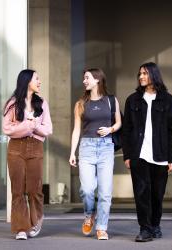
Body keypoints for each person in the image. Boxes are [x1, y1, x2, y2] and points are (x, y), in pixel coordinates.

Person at [122, 62, 172, 242]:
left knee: (157, 194)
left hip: (161, 155)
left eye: (145, 74)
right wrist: (127, 155)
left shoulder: (168, 100)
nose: (141, 77)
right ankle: (145, 228)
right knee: (141, 193)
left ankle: (155, 225)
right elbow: (127, 130)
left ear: (154, 75)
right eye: (140, 74)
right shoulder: (132, 100)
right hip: (139, 154)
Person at [69, 68, 121, 240]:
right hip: (87, 147)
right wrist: (72, 153)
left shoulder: (111, 100)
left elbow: (119, 122)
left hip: (106, 147)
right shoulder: (80, 104)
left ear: (97, 79)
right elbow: (76, 130)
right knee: (87, 189)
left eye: (87, 78)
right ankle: (89, 215)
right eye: (84, 78)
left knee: (105, 192)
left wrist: (110, 129)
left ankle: (101, 227)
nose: (84, 81)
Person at [2, 69, 53, 240]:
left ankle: (37, 219)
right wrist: (27, 126)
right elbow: (7, 128)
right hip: (16, 148)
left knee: (34, 188)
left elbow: (48, 129)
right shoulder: (13, 103)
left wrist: (35, 127)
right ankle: (21, 228)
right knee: (18, 190)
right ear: (27, 81)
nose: (39, 82)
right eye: (36, 79)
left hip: (35, 147)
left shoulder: (42, 103)